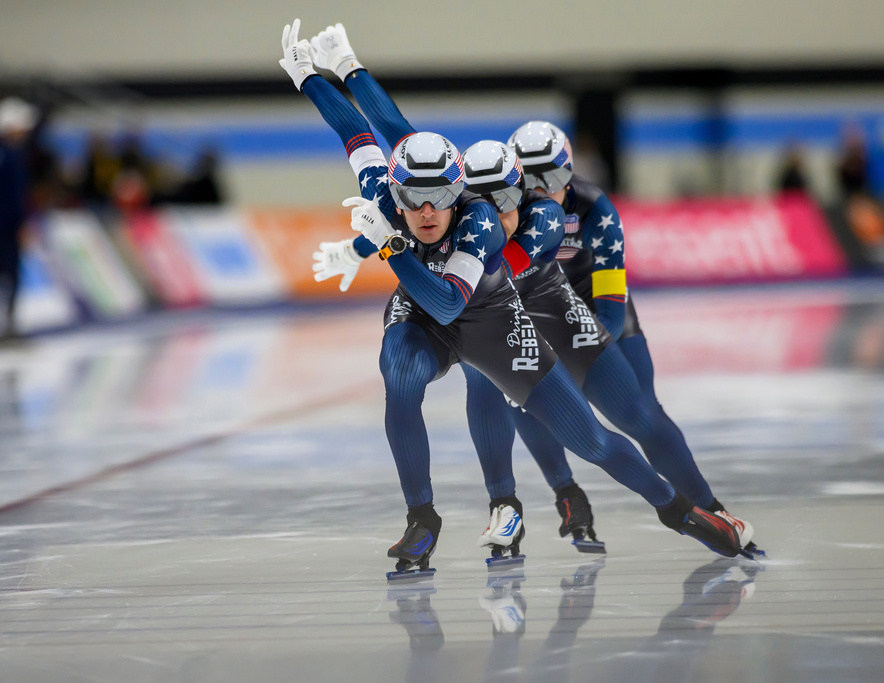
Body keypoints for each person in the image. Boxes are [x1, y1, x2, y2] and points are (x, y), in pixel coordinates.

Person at [279, 20, 747, 577]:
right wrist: (315, 75)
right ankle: (434, 515)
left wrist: (384, 249)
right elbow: (365, 134)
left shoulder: (505, 220)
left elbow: (454, 301)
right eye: (414, 199)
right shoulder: (397, 188)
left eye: (442, 199)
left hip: (493, 306)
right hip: (436, 306)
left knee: (592, 437)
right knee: (399, 370)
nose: (428, 212)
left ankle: (680, 510)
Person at [460, 131, 758, 554]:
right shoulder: (502, 206)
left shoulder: (592, 206)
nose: (546, 188)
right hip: (534, 305)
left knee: (641, 415)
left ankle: (712, 508)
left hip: (594, 302)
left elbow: (612, 317)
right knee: (520, 396)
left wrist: (582, 360)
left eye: (558, 173)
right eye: (535, 178)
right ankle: (567, 493)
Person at [0, 97, 38, 340]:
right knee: (9, 272)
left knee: (12, 273)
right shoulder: (7, 155)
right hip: (6, 225)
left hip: (11, 224)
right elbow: (12, 196)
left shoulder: (15, 154)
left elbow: (19, 195)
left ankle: (11, 320)